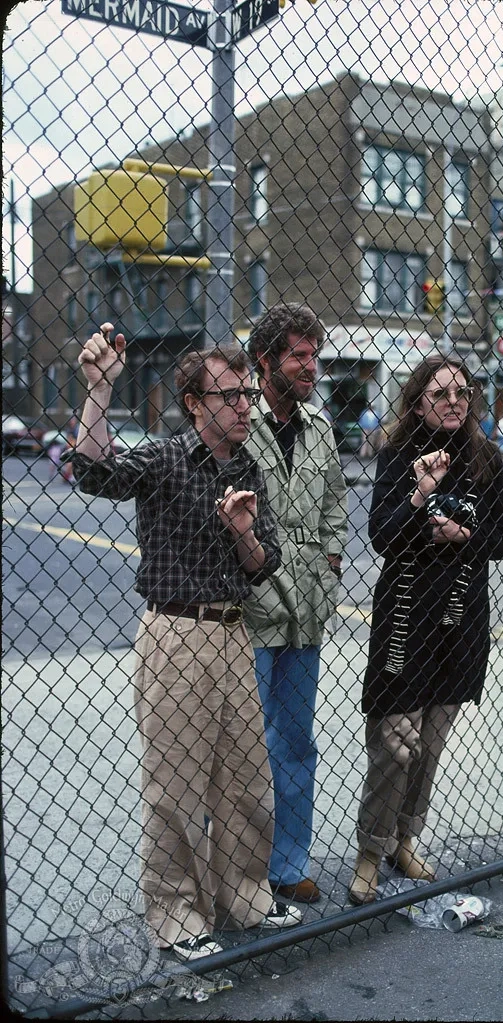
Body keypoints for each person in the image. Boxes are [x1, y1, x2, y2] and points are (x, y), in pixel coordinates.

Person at [72, 322, 302, 961]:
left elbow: (266, 563)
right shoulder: (169, 457)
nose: (244, 407)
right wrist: (98, 391)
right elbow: (93, 475)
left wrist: (244, 534)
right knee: (176, 786)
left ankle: (245, 899)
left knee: (246, 781)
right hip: (176, 633)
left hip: (234, 634)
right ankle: (177, 914)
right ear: (196, 404)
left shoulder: (251, 465)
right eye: (229, 396)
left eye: (248, 396)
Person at [348, 355, 503, 905]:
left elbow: (502, 538)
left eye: (462, 393)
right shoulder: (398, 455)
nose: (453, 402)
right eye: (440, 393)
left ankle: (405, 839)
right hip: (405, 622)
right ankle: (369, 853)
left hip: (460, 623)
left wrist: (462, 536)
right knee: (396, 745)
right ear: (418, 399)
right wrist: (421, 499)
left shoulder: (486, 458)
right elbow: (382, 534)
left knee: (431, 744)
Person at [244, 304, 348, 905]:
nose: (311, 367)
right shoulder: (241, 420)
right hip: (253, 608)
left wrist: (331, 567)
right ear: (266, 362)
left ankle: (288, 864)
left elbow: (335, 505)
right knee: (239, 744)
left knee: (296, 740)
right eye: (298, 356)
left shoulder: (320, 426)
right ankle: (236, 866)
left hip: (307, 607)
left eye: (315, 355)